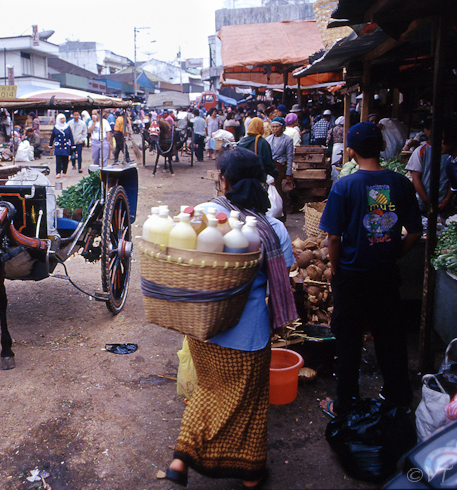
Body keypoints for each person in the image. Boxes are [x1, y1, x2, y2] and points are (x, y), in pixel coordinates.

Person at [164, 147, 297, 489]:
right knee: (248, 403)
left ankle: (181, 458)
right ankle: (251, 475)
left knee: (209, 389)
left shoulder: (203, 215)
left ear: (223, 182)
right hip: (249, 335)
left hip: (205, 328)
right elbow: (287, 269)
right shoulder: (272, 228)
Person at [318, 122, 422, 419]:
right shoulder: (401, 183)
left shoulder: (344, 186)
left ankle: (345, 404)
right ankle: (398, 398)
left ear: (350, 150)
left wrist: (337, 270)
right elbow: (414, 232)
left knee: (349, 341)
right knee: (390, 338)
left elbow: (334, 238)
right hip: (386, 275)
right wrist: (390, 254)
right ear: (381, 148)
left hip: (351, 276)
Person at [405, 117, 453, 216]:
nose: (432, 131)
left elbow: (452, 180)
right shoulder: (421, 150)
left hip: (444, 202)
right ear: (425, 130)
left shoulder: (449, 153)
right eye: (429, 128)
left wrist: (447, 199)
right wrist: (427, 200)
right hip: (423, 203)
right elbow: (416, 178)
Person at [266, 116, 295, 219]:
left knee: (279, 191)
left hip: (280, 168)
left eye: (277, 127)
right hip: (270, 167)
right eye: (273, 127)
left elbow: (290, 157)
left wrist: (288, 174)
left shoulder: (287, 140)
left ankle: (282, 217)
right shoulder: (268, 139)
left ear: (282, 127)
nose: (274, 129)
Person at [48, 114, 75, 179]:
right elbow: (52, 137)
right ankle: (58, 172)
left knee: (65, 159)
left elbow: (71, 136)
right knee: (58, 160)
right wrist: (50, 145)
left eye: (64, 118)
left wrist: (73, 145)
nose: (63, 120)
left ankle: (64, 171)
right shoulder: (56, 127)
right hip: (58, 146)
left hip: (65, 145)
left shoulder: (67, 127)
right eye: (61, 119)